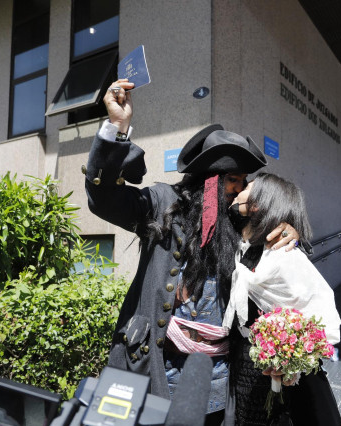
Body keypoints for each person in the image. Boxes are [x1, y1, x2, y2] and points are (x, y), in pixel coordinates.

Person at [84, 79, 300, 425]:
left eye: (243, 182)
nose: (239, 190)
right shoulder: (163, 204)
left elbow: (277, 270)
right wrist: (118, 128)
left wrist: (289, 229)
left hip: (215, 376)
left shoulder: (243, 226)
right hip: (154, 367)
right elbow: (103, 198)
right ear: (210, 180)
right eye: (233, 180)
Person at [222, 173, 341, 426]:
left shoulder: (283, 255)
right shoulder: (241, 244)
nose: (239, 188)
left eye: (247, 186)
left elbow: (318, 311)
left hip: (276, 377)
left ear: (258, 203)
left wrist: (291, 360)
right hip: (241, 367)